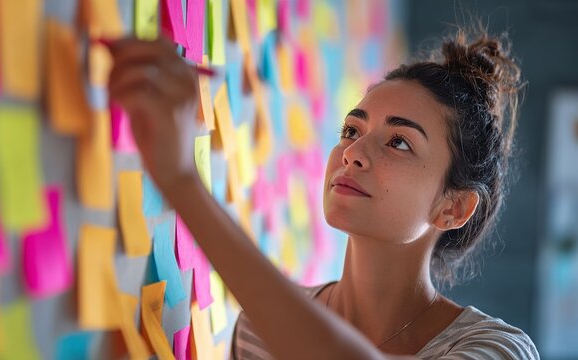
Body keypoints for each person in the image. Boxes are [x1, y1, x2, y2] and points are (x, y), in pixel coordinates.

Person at [107, 23, 539, 359]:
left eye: (399, 142)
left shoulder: (498, 349)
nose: (353, 152)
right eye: (352, 129)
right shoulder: (256, 332)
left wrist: (182, 180)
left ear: (454, 207)